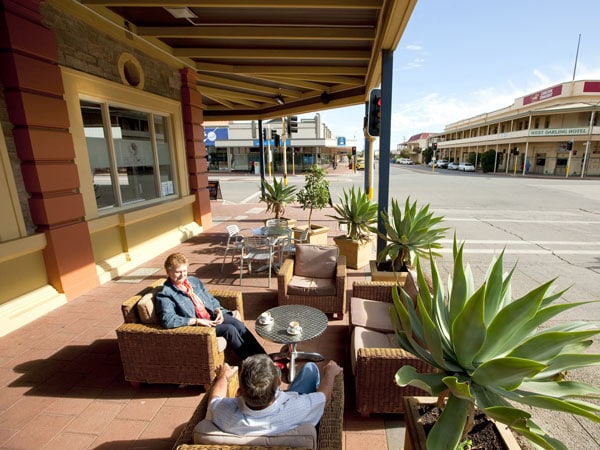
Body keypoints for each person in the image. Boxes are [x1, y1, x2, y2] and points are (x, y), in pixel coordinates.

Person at [155, 253, 266, 360]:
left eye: (184, 271)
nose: (182, 275)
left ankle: (265, 358)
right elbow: (168, 320)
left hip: (211, 316)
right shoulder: (166, 294)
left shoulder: (193, 281)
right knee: (230, 330)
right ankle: (255, 363)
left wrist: (218, 310)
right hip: (199, 326)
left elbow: (210, 299)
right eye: (178, 272)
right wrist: (196, 321)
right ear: (168, 272)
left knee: (238, 324)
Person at [208, 354, 343, 435]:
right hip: (289, 410)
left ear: (240, 390)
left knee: (308, 369)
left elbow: (215, 399)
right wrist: (330, 373)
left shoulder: (225, 414)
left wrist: (223, 377)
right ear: (279, 382)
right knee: (310, 368)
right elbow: (324, 398)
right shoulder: (296, 409)